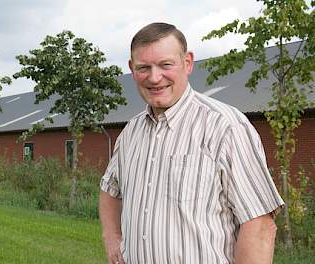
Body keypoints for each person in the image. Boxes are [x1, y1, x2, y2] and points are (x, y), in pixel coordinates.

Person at [99, 22, 284, 264]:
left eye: (166, 65)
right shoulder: (131, 132)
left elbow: (259, 226)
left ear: (187, 63)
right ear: (132, 69)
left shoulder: (225, 127)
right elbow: (110, 189)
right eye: (144, 67)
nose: (155, 78)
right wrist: (112, 239)